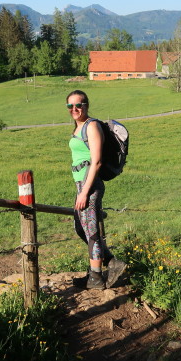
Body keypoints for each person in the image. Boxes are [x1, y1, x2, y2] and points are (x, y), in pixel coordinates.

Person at [67, 90, 126, 289]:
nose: (75, 109)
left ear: (86, 105)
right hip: (81, 184)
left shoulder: (91, 126)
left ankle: (96, 277)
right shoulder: (79, 127)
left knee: (91, 230)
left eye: (79, 104)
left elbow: (97, 161)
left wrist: (85, 191)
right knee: (80, 227)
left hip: (89, 184)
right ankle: (110, 262)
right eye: (71, 106)